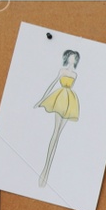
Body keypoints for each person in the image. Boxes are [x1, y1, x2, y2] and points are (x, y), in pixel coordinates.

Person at [35, 48, 81, 189]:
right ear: (67, 57)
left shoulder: (75, 74)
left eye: (75, 58)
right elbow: (52, 84)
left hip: (70, 100)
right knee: (55, 133)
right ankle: (45, 168)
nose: (73, 60)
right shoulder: (62, 71)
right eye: (71, 57)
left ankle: (47, 170)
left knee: (58, 135)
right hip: (60, 98)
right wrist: (42, 99)